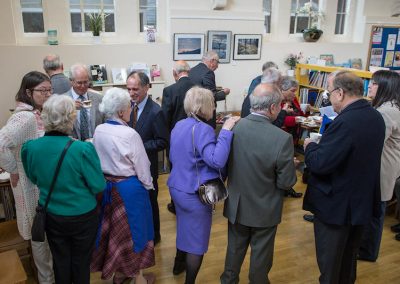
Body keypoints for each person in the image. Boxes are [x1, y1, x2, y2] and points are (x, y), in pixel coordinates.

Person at [302, 71, 385, 284]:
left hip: (337, 205)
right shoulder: (374, 116)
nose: (329, 98)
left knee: (330, 266)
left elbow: (321, 164)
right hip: (360, 203)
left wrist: (310, 147)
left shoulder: (346, 122)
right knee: (348, 263)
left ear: (340, 93)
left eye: (330, 93)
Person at [21, 95, 105, 284]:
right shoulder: (83, 149)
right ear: (70, 118)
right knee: (81, 262)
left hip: (51, 213)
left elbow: (33, 177)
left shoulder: (30, 148)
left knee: (60, 260)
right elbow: (98, 185)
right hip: (83, 214)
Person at [220, 83, 297, 284]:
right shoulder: (282, 139)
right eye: (280, 105)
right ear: (272, 108)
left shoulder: (232, 127)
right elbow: (287, 182)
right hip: (265, 210)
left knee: (233, 257)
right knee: (260, 265)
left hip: (237, 206)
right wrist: (291, 166)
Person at [168, 86, 239, 283]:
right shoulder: (204, 130)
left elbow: (175, 156)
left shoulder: (179, 125)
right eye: (212, 104)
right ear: (204, 106)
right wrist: (225, 131)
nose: (214, 107)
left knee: (184, 228)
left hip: (177, 187)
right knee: (197, 243)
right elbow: (217, 161)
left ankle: (177, 264)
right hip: (194, 194)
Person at [91, 88, 155, 284]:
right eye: (129, 106)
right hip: (129, 189)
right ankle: (138, 278)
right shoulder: (130, 134)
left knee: (114, 234)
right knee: (135, 234)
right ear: (120, 111)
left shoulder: (99, 129)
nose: (131, 109)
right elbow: (143, 167)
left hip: (106, 187)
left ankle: (120, 273)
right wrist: (148, 186)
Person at [0, 71, 54, 284]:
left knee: (42, 237)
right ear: (28, 92)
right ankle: (46, 280)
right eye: (42, 90)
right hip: (30, 187)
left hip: (35, 185)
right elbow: (1, 144)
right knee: (40, 237)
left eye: (50, 89)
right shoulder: (26, 117)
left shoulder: (35, 113)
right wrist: (14, 168)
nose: (48, 94)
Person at [358, 70, 400, 260]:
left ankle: (368, 251)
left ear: (384, 87)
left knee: (376, 211)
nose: (370, 86)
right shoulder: (385, 107)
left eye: (374, 83)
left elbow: (373, 140)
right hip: (380, 166)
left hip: (382, 168)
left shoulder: (388, 111)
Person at [127, 71, 168, 244]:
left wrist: (139, 147)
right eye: (128, 89)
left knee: (151, 202)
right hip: (128, 167)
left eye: (135, 89)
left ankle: (155, 235)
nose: (131, 93)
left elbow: (163, 141)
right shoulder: (127, 106)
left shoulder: (156, 111)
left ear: (146, 87)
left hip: (148, 167)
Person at [161, 60, 195, 215]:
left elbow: (165, 118)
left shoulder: (169, 90)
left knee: (175, 172)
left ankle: (176, 205)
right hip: (196, 137)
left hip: (175, 139)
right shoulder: (199, 88)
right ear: (189, 71)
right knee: (194, 170)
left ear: (175, 73)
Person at [189, 50, 230, 128]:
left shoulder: (191, 70)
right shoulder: (208, 72)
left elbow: (200, 88)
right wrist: (224, 93)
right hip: (205, 113)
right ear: (212, 61)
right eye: (217, 62)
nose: (217, 66)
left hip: (192, 111)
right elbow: (211, 96)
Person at [63, 63, 104, 141]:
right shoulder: (62, 100)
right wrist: (69, 110)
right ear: (71, 81)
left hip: (94, 145)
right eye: (79, 83)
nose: (83, 86)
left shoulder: (99, 98)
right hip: (72, 147)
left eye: (85, 82)